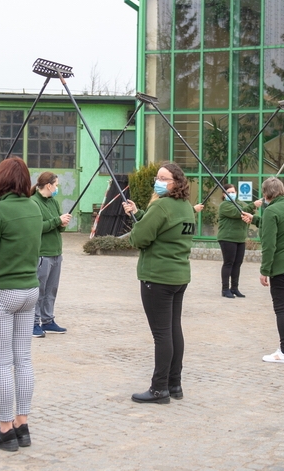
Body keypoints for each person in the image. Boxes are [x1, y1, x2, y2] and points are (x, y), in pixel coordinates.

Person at [0, 157, 42, 451]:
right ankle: (22, 424)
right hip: (29, 291)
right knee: (24, 360)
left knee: (3, 363)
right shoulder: (35, 208)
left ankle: (5, 430)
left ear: (0, 180)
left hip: (2, 294)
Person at [122, 162, 195, 404]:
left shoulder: (162, 205)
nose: (158, 181)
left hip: (158, 277)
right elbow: (165, 229)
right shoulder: (185, 207)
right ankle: (175, 384)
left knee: (162, 334)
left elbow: (140, 238)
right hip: (178, 276)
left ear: (176, 182)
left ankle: (159, 388)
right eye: (157, 177)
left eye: (164, 178)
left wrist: (136, 225)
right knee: (174, 329)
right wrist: (140, 215)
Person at [246, 178, 284, 363]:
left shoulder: (271, 210)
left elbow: (269, 243)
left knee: (281, 309)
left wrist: (265, 270)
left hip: (282, 267)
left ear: (266, 193)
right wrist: (256, 219)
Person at [30, 172, 71, 337]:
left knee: (51, 290)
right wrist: (57, 221)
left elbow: (57, 225)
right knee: (38, 290)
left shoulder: (53, 202)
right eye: (56, 185)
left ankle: (48, 320)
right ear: (48, 185)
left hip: (56, 252)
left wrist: (63, 223)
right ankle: (33, 322)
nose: (57, 188)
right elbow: (37, 227)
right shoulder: (33, 202)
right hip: (42, 254)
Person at [215, 184, 256, 299]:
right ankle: (225, 289)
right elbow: (239, 212)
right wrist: (253, 205)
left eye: (233, 192)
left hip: (240, 238)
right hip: (228, 238)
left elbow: (246, 212)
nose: (232, 194)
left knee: (237, 264)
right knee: (229, 263)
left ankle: (235, 288)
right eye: (229, 192)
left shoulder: (239, 203)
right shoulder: (224, 205)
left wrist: (251, 212)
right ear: (224, 194)